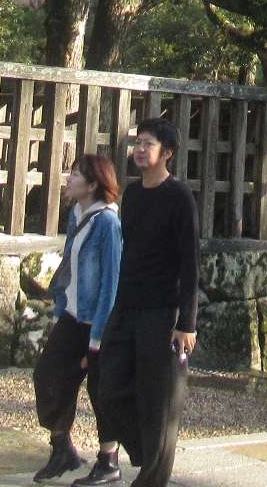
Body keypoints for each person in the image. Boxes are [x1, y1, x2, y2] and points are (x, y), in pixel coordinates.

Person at [93, 116, 199, 487]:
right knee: (108, 389)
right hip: (126, 306)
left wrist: (187, 322)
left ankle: (152, 477)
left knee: (158, 403)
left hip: (161, 310)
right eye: (137, 143)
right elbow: (130, 252)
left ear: (166, 153)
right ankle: (144, 454)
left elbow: (190, 262)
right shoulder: (133, 194)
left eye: (148, 144)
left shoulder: (179, 197)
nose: (139, 150)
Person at [31, 153, 125, 484]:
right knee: (49, 375)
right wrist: (59, 311)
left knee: (101, 390)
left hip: (97, 319)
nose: (68, 180)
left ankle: (109, 461)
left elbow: (110, 283)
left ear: (93, 184)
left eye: (75, 175)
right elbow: (69, 268)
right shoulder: (77, 214)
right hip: (72, 313)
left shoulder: (108, 224)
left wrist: (98, 338)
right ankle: (62, 449)